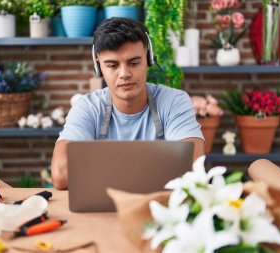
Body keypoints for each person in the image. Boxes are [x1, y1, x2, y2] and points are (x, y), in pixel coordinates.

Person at [51, 18, 205, 190]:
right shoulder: (87, 108)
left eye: (134, 63)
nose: (124, 74)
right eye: (112, 65)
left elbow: (192, 166)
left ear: (149, 60)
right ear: (98, 66)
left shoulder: (175, 101)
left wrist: (97, 169)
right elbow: (61, 175)